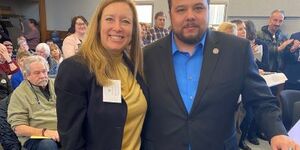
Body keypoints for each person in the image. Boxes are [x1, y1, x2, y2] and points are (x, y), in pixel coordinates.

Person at [142, 0, 300, 150]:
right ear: (170, 14)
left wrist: (277, 132)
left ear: (208, 10)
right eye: (181, 9)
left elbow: (261, 99)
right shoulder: (147, 56)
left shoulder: (237, 50)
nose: (190, 15)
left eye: (198, 8)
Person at [55, 0, 148, 149]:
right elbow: (72, 141)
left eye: (125, 21)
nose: (117, 27)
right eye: (109, 19)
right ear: (97, 25)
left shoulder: (134, 66)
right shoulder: (75, 69)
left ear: (134, 29)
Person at [7, 55, 59, 150]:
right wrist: (45, 132)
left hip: (62, 132)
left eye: (44, 71)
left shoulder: (58, 85)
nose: (42, 76)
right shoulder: (19, 94)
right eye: (37, 73)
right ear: (27, 75)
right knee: (47, 146)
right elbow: (18, 128)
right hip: (36, 137)